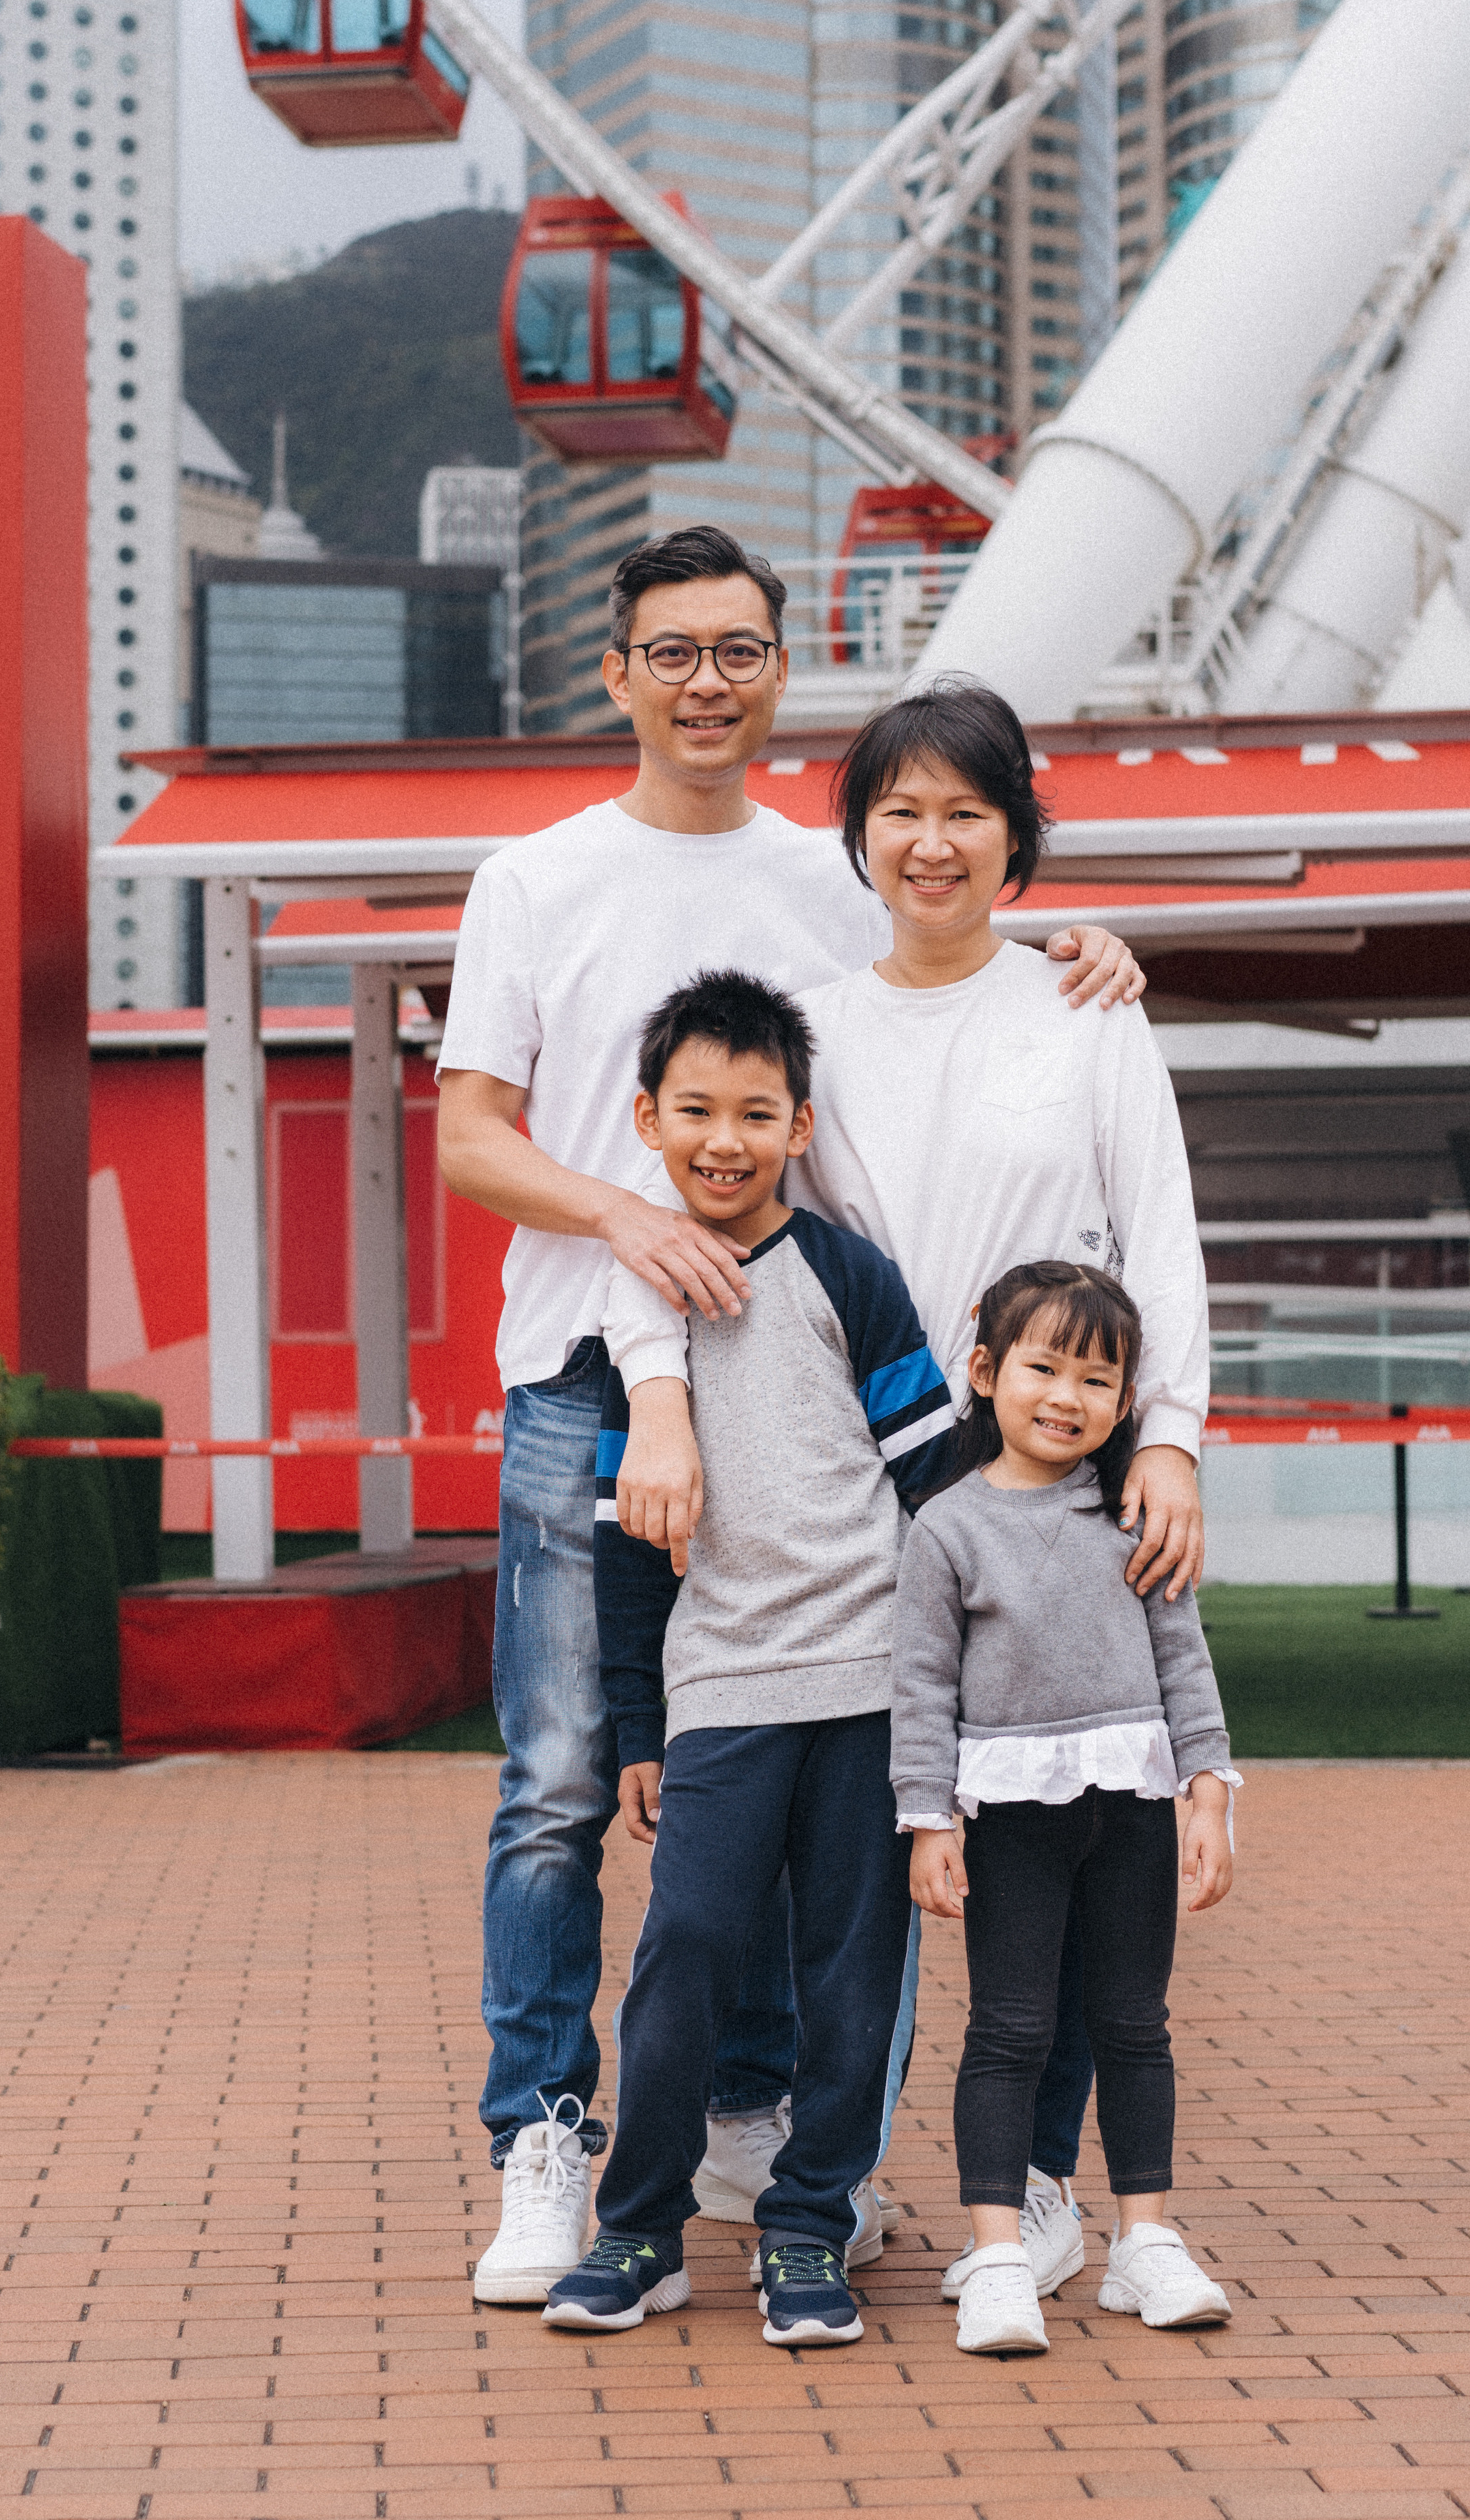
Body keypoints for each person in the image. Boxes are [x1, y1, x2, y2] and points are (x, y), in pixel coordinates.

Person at [435, 529, 1142, 2305]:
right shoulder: (533, 878)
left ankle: (760, 2128)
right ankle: (546, 2137)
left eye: (739, 650)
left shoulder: (825, 881)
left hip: (797, 1378)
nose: (707, 681)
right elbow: (468, 1137)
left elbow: (937, 959)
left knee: (803, 1761)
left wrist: (1084, 956)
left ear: (777, 672)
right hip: (580, 1377)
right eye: (672, 651)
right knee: (563, 1780)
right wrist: (634, 1230)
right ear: (616, 672)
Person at [608, 678, 1208, 2301]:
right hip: (875, 1473)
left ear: (1016, 839)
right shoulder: (813, 1029)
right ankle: (830, 2173)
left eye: (964, 812)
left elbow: (1154, 1233)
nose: (930, 843)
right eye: (899, 813)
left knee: (1058, 1838)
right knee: (875, 1845)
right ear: (859, 837)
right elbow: (692, 1219)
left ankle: (1043, 2186)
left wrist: (1165, 1437)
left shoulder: (1083, 1007)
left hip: (1061, 1465)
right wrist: (655, 1396)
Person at [542, 970, 959, 2346]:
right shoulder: (635, 1311)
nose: (725, 1140)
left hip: (870, 1689)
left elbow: (936, 1489)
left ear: (799, 1127)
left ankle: (807, 2226)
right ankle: (638, 2227)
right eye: (697, 1110)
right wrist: (639, 1727)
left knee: (852, 1973)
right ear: (648, 1121)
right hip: (721, 1687)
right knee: (688, 1947)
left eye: (756, 1112)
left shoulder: (851, 1277)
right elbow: (621, 1542)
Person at [890, 1259, 1239, 2358]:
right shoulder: (947, 1529)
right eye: (1043, 1368)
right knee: (1010, 2031)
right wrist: (928, 1819)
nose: (1067, 1397)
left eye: (1097, 1379)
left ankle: (1145, 2242)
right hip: (1011, 1819)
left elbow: (1184, 1659)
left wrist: (1207, 1793)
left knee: (1134, 2025)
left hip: (1132, 1808)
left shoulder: (1136, 1512)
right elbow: (921, 1688)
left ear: (1126, 1400)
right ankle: (999, 2257)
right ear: (986, 1372)